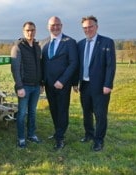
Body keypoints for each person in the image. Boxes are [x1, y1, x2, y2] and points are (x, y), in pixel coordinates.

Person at [74, 15, 116, 151]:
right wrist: (75, 82)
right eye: (85, 28)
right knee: (86, 112)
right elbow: (77, 65)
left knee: (100, 114)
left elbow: (110, 66)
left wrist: (108, 84)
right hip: (84, 85)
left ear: (96, 27)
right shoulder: (80, 44)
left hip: (100, 86)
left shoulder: (107, 42)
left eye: (90, 26)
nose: (88, 29)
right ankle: (89, 134)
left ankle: (99, 140)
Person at [41, 16, 78, 150]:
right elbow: (42, 63)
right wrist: (42, 82)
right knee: (53, 109)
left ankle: (60, 138)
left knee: (62, 110)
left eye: (58, 25)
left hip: (63, 84)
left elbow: (73, 63)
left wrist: (62, 81)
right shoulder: (43, 43)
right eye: (52, 25)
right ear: (48, 26)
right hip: (48, 84)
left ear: (61, 26)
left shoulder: (70, 42)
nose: (55, 27)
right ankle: (58, 131)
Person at [10, 21, 42, 148]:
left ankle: (31, 134)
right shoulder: (17, 47)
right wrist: (19, 86)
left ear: (35, 31)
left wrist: (41, 83)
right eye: (28, 30)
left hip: (35, 86)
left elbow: (40, 66)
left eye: (33, 30)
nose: (30, 32)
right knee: (22, 113)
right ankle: (21, 138)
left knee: (32, 112)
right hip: (24, 87)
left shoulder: (37, 47)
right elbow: (15, 68)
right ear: (24, 32)